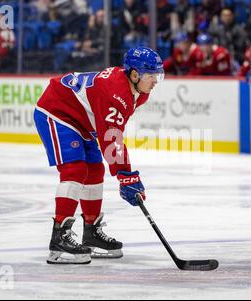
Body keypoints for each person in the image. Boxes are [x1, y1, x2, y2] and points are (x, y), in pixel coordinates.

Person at [34, 47, 164, 264]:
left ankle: (91, 232)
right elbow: (111, 137)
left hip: (81, 121)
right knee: (75, 169)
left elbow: (110, 131)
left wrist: (123, 173)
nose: (155, 81)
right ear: (134, 74)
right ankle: (59, 236)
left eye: (158, 75)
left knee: (95, 169)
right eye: (151, 75)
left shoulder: (138, 92)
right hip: (57, 111)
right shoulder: (116, 92)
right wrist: (125, 175)